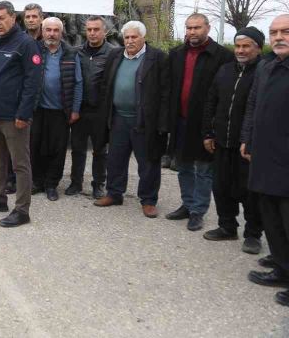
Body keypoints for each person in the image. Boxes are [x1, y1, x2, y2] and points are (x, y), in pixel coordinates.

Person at [0, 1, 43, 228]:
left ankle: (22, 210)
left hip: (15, 118)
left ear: (13, 18)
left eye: (2, 18)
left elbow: (33, 82)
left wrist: (24, 114)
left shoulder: (26, 44)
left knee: (20, 165)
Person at [166, 13, 234, 231]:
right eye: (189, 28)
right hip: (180, 120)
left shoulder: (223, 56)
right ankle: (187, 205)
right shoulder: (177, 53)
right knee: (183, 166)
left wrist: (213, 127)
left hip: (205, 123)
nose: (192, 32)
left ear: (208, 28)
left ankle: (198, 211)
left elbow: (225, 94)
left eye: (197, 27)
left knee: (204, 169)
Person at [94, 21, 169, 218]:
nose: (129, 41)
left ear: (143, 37)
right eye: (126, 37)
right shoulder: (115, 55)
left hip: (144, 121)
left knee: (148, 163)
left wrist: (162, 123)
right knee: (115, 159)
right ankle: (114, 193)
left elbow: (165, 93)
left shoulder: (157, 58)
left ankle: (148, 200)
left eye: (134, 37)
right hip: (118, 118)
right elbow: (106, 84)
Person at [241, 14, 289, 307]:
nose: (278, 37)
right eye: (274, 32)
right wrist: (247, 137)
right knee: (272, 218)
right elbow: (253, 104)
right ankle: (282, 269)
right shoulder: (267, 67)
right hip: (264, 157)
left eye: (286, 31)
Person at [202, 26, 264, 254]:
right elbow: (211, 102)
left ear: (258, 48)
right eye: (238, 46)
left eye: (246, 46)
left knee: (249, 192)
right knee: (221, 187)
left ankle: (253, 235)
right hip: (222, 142)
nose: (240, 50)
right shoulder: (225, 70)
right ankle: (227, 226)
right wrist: (208, 133)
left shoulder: (264, 72)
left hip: (247, 146)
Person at [31, 17, 82, 201]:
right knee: (35, 146)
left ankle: (51, 184)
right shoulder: (34, 50)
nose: (51, 34)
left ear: (61, 33)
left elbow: (78, 83)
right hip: (37, 109)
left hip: (61, 110)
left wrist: (75, 109)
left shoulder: (71, 53)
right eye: (48, 30)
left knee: (57, 149)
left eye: (55, 30)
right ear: (42, 31)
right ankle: (37, 181)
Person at [68, 15, 112, 199]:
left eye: (96, 29)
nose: (92, 33)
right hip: (80, 109)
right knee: (77, 149)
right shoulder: (76, 52)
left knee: (100, 150)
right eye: (89, 29)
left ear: (105, 32)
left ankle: (98, 184)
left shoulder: (113, 53)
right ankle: (76, 182)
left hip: (100, 111)